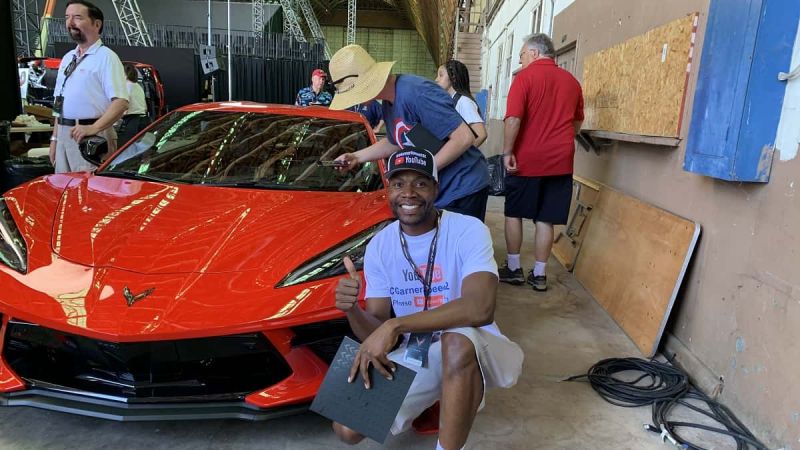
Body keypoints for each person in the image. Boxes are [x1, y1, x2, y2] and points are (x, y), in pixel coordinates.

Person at [332, 148, 523, 450]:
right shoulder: (380, 245)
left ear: (436, 188)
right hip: (418, 351)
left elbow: (480, 308)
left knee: (456, 341)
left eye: (420, 183)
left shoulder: (468, 230)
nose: (408, 193)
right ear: (388, 190)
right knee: (345, 427)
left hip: (478, 347)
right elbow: (376, 329)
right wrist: (352, 309)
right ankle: (439, 394)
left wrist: (396, 325)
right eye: (398, 184)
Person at [329, 44, 490, 221]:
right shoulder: (388, 103)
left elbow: (464, 137)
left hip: (464, 186)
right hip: (440, 188)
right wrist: (356, 157)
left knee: (456, 238)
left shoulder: (416, 92)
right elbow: (396, 141)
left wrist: (423, 171)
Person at [499, 33, 584, 292]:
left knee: (514, 212)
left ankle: (514, 268)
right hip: (561, 163)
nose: (520, 60)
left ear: (534, 53)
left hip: (527, 160)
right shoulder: (572, 82)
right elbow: (577, 122)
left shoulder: (524, 79)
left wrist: (507, 152)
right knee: (546, 218)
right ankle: (539, 274)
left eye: (522, 55)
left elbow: (513, 119)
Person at [49, 0, 129, 173]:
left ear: (97, 24)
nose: (70, 23)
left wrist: (94, 128)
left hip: (92, 136)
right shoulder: (68, 58)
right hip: (64, 134)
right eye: (67, 17)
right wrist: (55, 139)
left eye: (77, 17)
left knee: (90, 187)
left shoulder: (106, 57)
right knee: (63, 185)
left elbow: (121, 102)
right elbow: (59, 102)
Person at [435, 60, 487, 147]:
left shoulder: (464, 101)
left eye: (441, 75)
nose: (436, 80)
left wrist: (461, 153)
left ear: (453, 77)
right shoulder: (451, 101)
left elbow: (481, 134)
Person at [117, 63, 149, 147]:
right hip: (144, 121)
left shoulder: (124, 87)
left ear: (124, 74)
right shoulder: (138, 87)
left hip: (131, 122)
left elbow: (123, 106)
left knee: (126, 148)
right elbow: (145, 107)